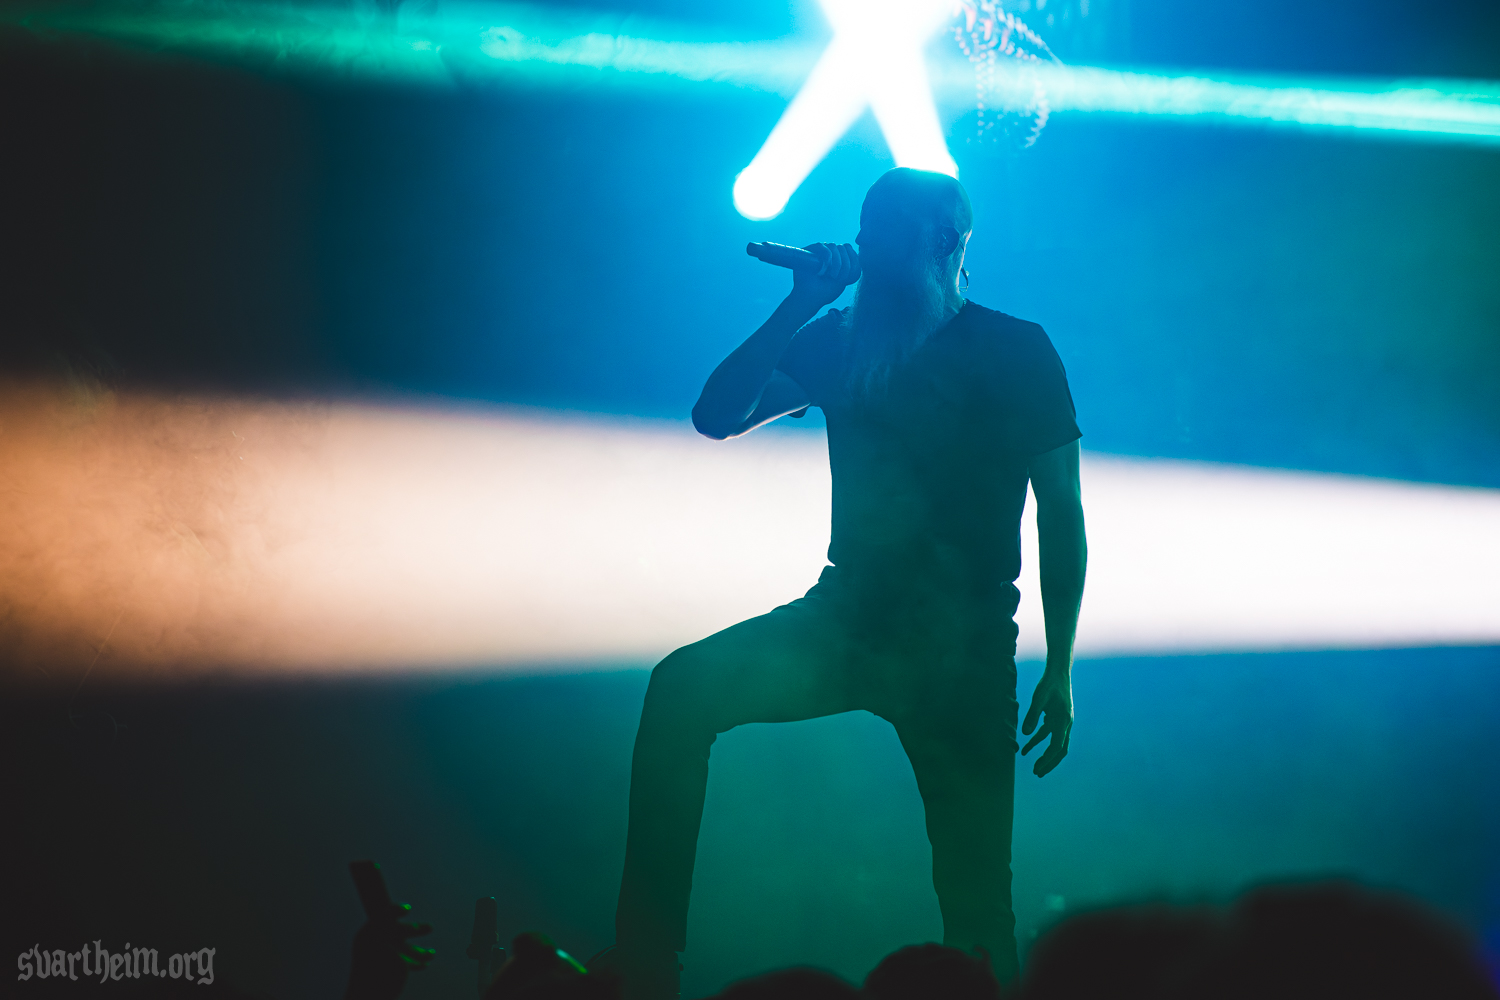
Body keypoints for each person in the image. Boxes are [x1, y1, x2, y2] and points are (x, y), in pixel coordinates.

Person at [601, 168, 1088, 1000]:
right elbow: (717, 416)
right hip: (848, 617)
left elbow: (1062, 514)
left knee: (977, 896)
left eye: (887, 229)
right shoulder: (838, 336)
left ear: (944, 242)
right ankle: (645, 967)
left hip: (963, 647)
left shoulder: (1015, 348)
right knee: (680, 689)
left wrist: (1061, 667)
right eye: (866, 226)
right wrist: (798, 303)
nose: (867, 244)